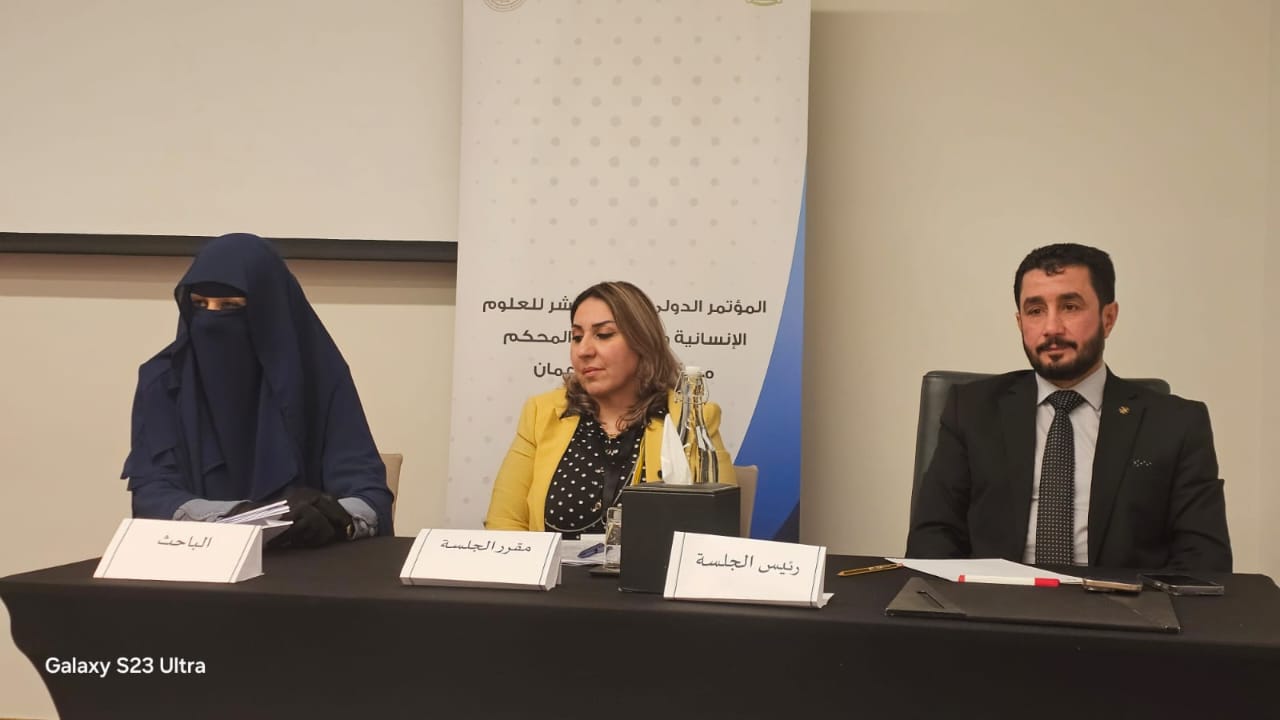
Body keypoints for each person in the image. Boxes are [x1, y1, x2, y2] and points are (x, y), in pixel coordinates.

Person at [906, 243, 1232, 571]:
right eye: (1035, 311)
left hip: (1121, 600)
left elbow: (1204, 559)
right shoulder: (971, 410)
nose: (1051, 328)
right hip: (995, 598)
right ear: (1020, 322)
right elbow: (932, 537)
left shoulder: (1176, 424)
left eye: (1070, 307)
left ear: (1108, 318)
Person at [121, 233, 393, 547]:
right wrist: (239, 517)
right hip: (200, 560)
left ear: (269, 311)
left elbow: (370, 494)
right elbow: (153, 496)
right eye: (199, 305)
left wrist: (333, 516)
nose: (210, 320)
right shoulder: (164, 381)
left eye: (229, 306)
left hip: (307, 560)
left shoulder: (318, 375)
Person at [485, 281, 736, 534]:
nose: (584, 350)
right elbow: (504, 524)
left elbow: (717, 534)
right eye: (576, 337)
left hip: (650, 562)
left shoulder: (691, 419)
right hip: (554, 562)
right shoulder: (542, 413)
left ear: (642, 341)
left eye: (603, 335)